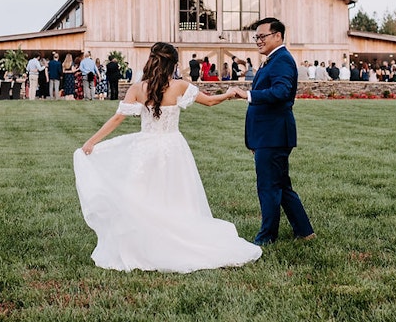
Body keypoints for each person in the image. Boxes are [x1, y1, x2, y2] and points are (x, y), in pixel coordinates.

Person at [74, 42, 261, 273]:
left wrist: (92, 141)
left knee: (143, 194)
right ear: (173, 63)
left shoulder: (137, 88)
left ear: (151, 60)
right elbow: (211, 101)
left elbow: (116, 119)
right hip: (173, 148)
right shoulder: (180, 86)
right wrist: (230, 93)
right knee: (176, 195)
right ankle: (174, 237)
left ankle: (146, 242)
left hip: (146, 148)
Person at [229, 17, 315, 245]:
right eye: (256, 37)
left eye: (262, 36)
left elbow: (282, 92)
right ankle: (305, 231)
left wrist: (248, 95)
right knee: (281, 185)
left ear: (277, 36)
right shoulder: (273, 60)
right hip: (268, 134)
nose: (258, 41)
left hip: (274, 135)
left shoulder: (282, 60)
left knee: (268, 187)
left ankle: (267, 237)